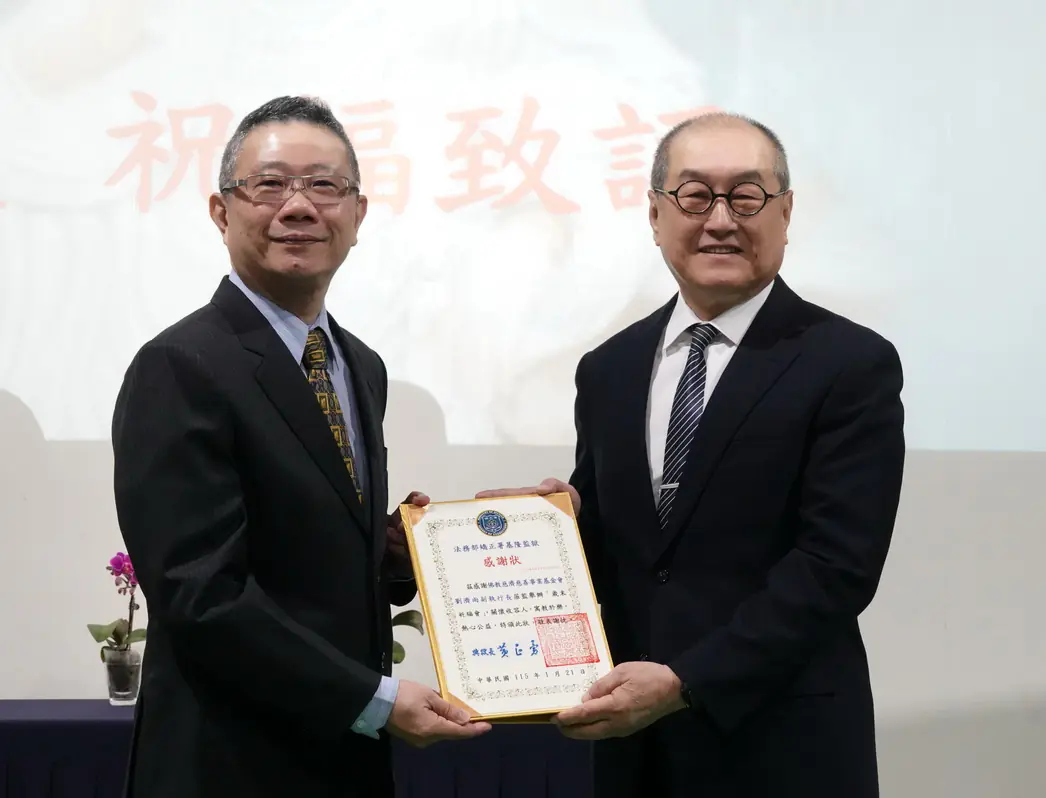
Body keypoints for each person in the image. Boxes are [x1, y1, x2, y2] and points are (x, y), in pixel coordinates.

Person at [477, 112, 904, 797]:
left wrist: (686, 682)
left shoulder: (849, 363)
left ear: (786, 212)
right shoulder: (608, 367)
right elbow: (629, 544)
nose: (721, 220)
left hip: (783, 746)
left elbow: (837, 566)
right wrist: (551, 528)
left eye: (747, 196)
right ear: (655, 214)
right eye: (696, 196)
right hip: (635, 752)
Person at [110, 95, 489, 798]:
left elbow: (305, 544)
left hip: (342, 761)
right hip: (228, 764)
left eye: (324, 186)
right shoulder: (181, 365)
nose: (299, 207)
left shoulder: (359, 364)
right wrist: (374, 699)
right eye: (270, 185)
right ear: (221, 212)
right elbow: (201, 594)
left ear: (358, 215)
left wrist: (395, 553)